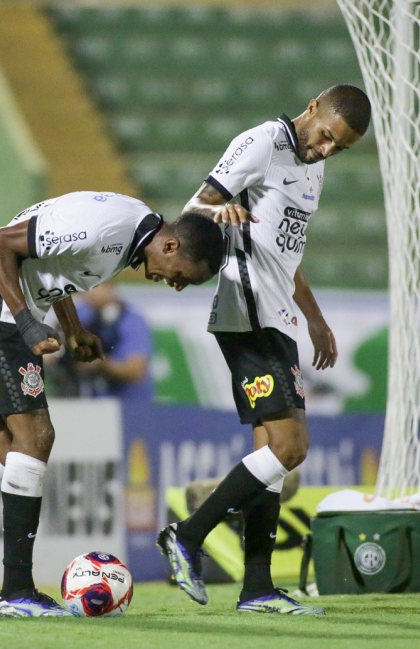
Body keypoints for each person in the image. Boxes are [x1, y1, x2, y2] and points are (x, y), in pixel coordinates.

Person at [0, 191, 224, 618]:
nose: (178, 284)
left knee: (12, 446)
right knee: (36, 436)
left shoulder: (129, 236)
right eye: (184, 274)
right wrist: (26, 322)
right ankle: (16, 592)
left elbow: (54, 270)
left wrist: (72, 329)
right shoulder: (107, 227)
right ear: (171, 245)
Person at [157, 84, 372, 615]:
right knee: (291, 448)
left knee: (270, 458)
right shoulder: (262, 142)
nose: (326, 152)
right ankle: (187, 534)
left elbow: (286, 253)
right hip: (246, 309)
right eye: (325, 138)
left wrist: (315, 318)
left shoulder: (312, 170)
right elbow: (192, 212)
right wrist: (222, 210)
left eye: (338, 149)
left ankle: (256, 587)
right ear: (312, 108)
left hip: (278, 314)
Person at [54, 282, 154, 401]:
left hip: (128, 406)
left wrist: (100, 363)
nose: (89, 293)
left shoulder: (132, 321)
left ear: (110, 288)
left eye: (95, 286)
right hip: (87, 403)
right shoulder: (83, 314)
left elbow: (136, 371)